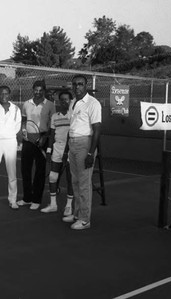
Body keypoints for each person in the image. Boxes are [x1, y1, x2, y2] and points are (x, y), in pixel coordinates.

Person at [62, 74, 102, 230]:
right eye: (74, 84)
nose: (77, 87)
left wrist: (91, 153)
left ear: (86, 86)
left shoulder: (93, 103)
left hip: (85, 143)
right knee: (75, 181)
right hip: (72, 143)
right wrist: (66, 150)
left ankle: (85, 219)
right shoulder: (73, 102)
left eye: (80, 84)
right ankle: (77, 214)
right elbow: (71, 128)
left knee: (84, 183)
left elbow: (98, 129)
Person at [17, 80, 55, 210]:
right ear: (32, 90)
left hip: (42, 141)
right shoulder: (26, 104)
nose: (38, 92)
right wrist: (23, 131)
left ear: (44, 91)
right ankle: (27, 198)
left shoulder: (50, 105)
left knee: (40, 171)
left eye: (40, 90)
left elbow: (52, 124)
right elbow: (24, 120)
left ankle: (36, 200)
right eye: (36, 90)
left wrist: (45, 137)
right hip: (28, 140)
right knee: (25, 170)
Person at [41, 91, 74, 215]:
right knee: (52, 177)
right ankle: (53, 204)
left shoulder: (73, 115)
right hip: (57, 149)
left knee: (70, 179)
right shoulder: (55, 116)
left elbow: (72, 135)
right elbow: (51, 135)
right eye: (61, 100)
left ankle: (69, 206)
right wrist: (49, 151)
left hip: (70, 149)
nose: (64, 101)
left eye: (66, 99)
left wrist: (66, 152)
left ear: (70, 101)